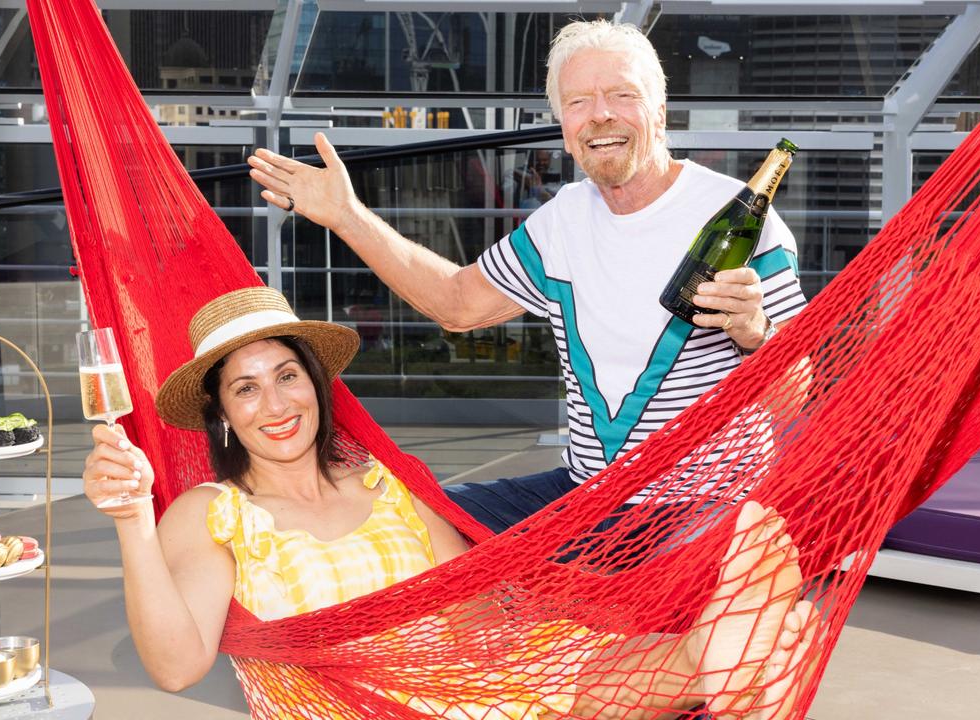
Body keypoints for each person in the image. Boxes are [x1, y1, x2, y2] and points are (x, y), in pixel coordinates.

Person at [82, 286, 818, 718]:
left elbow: (469, 601)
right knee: (531, 693)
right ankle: (734, 663)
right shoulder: (212, 514)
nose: (274, 403)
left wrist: (533, 615)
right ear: (219, 413)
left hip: (456, 672)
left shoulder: (379, 482)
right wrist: (131, 526)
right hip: (356, 701)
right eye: (245, 388)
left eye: (287, 376)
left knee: (568, 664)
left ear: (316, 385)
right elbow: (177, 667)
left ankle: (720, 658)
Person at [247, 20, 809, 534]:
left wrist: (756, 331)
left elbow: (799, 398)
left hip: (701, 507)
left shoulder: (742, 218)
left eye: (621, 95)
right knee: (418, 520)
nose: (601, 114)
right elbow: (458, 303)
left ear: (659, 112)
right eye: (579, 101)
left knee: (636, 616)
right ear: (565, 127)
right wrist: (347, 214)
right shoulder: (563, 218)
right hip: (585, 497)